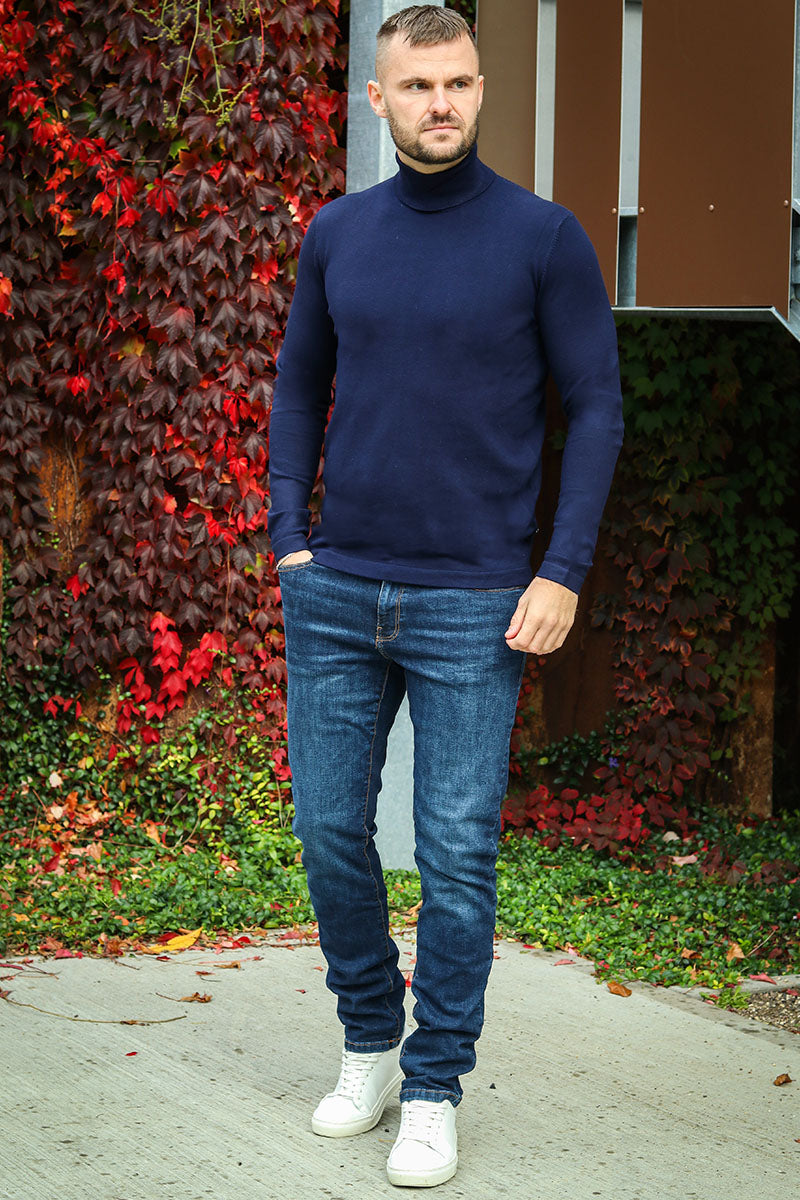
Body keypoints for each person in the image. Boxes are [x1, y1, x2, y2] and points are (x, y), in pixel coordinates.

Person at [267, 5, 623, 1189]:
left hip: (475, 600)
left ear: (479, 89)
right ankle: (370, 1042)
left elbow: (596, 408)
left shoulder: (541, 238)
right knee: (328, 835)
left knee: (456, 856)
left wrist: (560, 570)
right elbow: (297, 389)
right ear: (378, 99)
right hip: (336, 590)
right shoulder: (338, 234)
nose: (439, 104)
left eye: (457, 83)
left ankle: (432, 1088)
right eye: (416, 85)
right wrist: (289, 541)